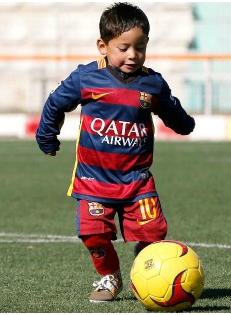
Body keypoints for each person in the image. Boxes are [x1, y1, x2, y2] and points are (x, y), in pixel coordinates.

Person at [36, 2, 195, 303]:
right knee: (92, 233)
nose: (132, 55)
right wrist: (47, 136)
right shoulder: (86, 78)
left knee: (154, 234)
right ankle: (110, 275)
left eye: (140, 47)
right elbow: (56, 102)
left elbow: (172, 110)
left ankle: (146, 266)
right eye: (123, 48)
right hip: (94, 180)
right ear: (103, 46)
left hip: (136, 181)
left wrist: (184, 125)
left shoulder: (152, 84)